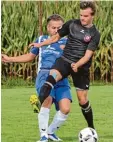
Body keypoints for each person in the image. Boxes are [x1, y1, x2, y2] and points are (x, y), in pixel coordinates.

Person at [29, 1, 100, 130]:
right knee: (52, 75)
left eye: (85, 16)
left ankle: (91, 128)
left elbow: (88, 55)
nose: (82, 18)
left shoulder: (95, 34)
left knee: (82, 101)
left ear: (92, 16)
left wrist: (77, 64)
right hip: (65, 60)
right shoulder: (71, 24)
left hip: (81, 66)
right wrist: (40, 44)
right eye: (81, 15)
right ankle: (39, 102)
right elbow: (55, 37)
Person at [2, 14, 72, 142]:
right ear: (48, 28)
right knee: (47, 99)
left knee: (66, 109)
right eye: (53, 27)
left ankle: (50, 132)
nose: (56, 30)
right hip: (45, 75)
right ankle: (43, 135)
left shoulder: (67, 42)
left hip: (61, 77)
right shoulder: (41, 39)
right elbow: (30, 57)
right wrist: (10, 59)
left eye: (59, 27)